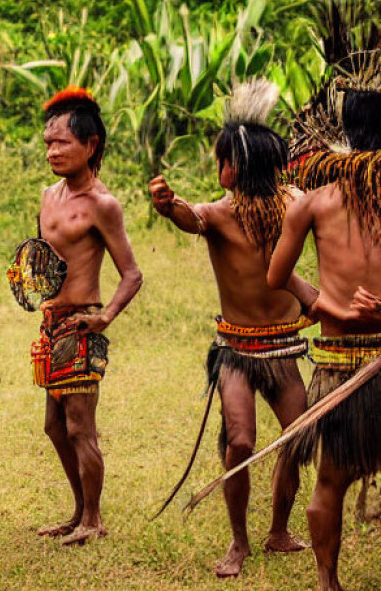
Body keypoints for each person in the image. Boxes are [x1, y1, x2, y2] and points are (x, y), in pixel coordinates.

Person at [149, 79, 313, 576]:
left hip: (284, 350)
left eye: (221, 160)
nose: (217, 170)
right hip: (236, 352)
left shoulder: (296, 204)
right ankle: (238, 542)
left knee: (298, 436)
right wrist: (167, 204)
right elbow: (189, 216)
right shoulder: (219, 215)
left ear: (238, 166)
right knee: (240, 442)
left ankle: (279, 530)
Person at [268, 83, 381, 591]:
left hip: (341, 363)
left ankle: (326, 581)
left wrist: (325, 305)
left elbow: (277, 276)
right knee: (331, 480)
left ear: (347, 135)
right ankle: (326, 582)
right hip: (340, 364)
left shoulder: (313, 201)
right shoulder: (312, 203)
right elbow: (277, 275)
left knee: (330, 481)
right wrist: (329, 305)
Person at [34, 86, 142, 545]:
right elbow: (43, 258)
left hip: (82, 325)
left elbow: (132, 274)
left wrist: (104, 318)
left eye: (63, 143)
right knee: (55, 427)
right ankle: (79, 511)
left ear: (91, 145)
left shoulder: (103, 205)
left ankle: (93, 520)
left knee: (81, 426)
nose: (53, 151)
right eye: (48, 143)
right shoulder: (47, 195)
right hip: (50, 325)